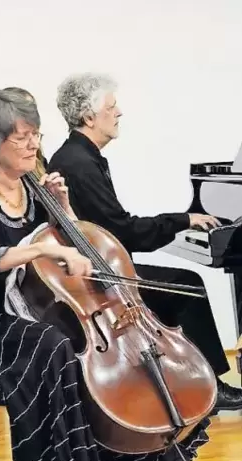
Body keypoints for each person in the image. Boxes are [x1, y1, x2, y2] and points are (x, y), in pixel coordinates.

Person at [0, 88, 208, 461]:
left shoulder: (33, 184)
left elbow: (82, 246)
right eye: (22, 137)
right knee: (52, 346)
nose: (34, 145)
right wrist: (40, 248)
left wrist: (64, 209)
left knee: (79, 342)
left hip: (32, 314)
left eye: (37, 134)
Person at [47, 72, 242, 412]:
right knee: (187, 286)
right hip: (99, 278)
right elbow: (123, 231)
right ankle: (209, 388)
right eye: (112, 106)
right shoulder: (79, 163)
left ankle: (182, 379)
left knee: (181, 284)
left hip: (101, 265)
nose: (119, 112)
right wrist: (182, 221)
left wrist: (178, 222)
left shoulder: (79, 156)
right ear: (89, 117)